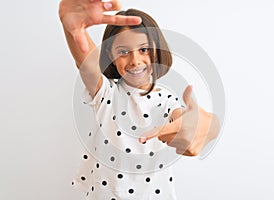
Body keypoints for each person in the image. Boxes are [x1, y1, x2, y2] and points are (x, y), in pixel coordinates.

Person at [59, 0, 220, 199]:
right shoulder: (106, 93)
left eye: (143, 50)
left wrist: (206, 125)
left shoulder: (167, 101)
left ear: (156, 50)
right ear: (111, 55)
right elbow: (88, 64)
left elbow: (187, 120)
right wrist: (73, 29)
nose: (135, 61)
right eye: (123, 52)